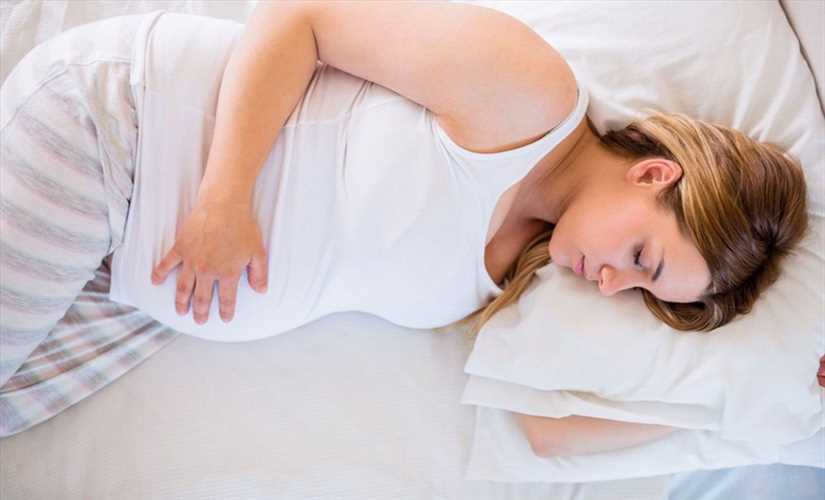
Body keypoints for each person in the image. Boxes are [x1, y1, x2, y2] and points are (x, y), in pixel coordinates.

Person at [0, 0, 819, 461]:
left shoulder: (526, 265)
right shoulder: (530, 100)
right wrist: (223, 200)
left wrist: (747, 403)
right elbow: (303, 16)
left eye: (638, 288)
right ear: (652, 175)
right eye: (641, 256)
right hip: (121, 133)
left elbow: (546, 432)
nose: (611, 282)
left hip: (136, 276)